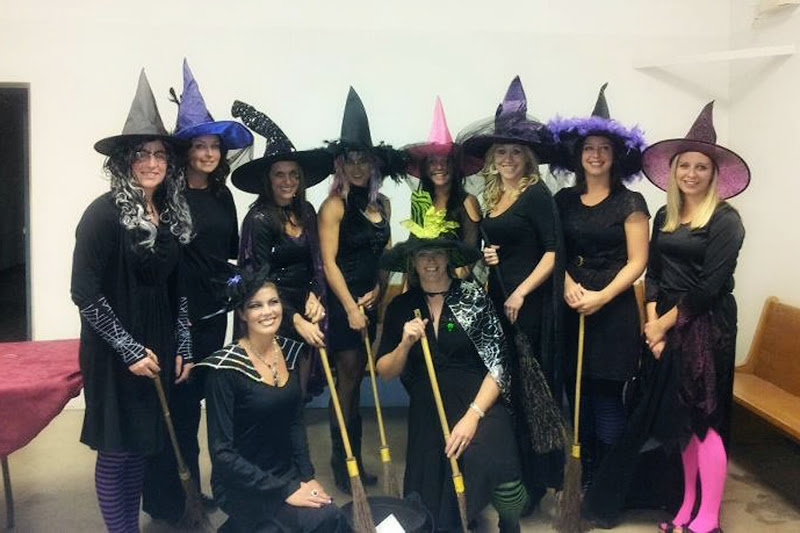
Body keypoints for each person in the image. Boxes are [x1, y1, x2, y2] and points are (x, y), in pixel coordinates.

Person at [584, 102, 749, 533]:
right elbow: (654, 272)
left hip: (706, 326)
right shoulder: (665, 215)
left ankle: (708, 519)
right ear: (674, 170)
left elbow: (709, 288)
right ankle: (685, 507)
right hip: (665, 323)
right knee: (678, 422)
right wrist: (652, 321)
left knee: (704, 420)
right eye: (684, 166)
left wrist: (661, 324)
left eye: (701, 167)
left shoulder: (727, 221)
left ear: (713, 174)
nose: (691, 174)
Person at [70, 70, 194, 533]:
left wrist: (183, 344)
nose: (152, 162)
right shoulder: (101, 215)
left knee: (143, 444)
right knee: (117, 450)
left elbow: (178, 289)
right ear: (125, 161)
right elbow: (84, 293)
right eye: (141, 153)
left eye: (160, 154)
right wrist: (127, 349)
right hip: (113, 351)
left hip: (157, 343)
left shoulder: (172, 213)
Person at [139, 59, 253, 522]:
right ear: (185, 150)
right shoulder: (166, 197)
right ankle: (170, 500)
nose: (208, 153)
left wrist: (236, 289)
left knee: (199, 404)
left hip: (211, 316)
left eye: (214, 146)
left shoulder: (222, 195)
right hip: (173, 317)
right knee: (177, 407)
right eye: (200, 146)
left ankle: (191, 491)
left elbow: (225, 255)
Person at [376, 200, 530, 533]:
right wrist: (405, 344)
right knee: (434, 500)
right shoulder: (402, 306)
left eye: (438, 253)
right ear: (413, 261)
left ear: (449, 258)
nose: (431, 261)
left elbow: (499, 364)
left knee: (495, 463)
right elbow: (385, 371)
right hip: (429, 405)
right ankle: (459, 515)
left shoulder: (473, 297)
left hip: (480, 399)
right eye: (423, 255)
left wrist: (473, 416)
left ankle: (510, 522)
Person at [458, 75, 565, 506]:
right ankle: (513, 475)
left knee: (529, 392)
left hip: (529, 306)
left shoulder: (536, 194)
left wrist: (521, 292)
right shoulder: (494, 194)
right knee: (507, 391)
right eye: (500, 152)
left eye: (515, 152)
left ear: (527, 157)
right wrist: (490, 258)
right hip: (501, 301)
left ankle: (536, 484)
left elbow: (553, 252)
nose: (507, 158)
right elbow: (506, 245)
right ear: (492, 157)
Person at [548, 83, 649, 486]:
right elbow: (553, 250)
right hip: (571, 304)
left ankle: (609, 482)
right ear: (578, 154)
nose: (595, 154)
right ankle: (583, 475)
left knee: (606, 396)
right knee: (576, 395)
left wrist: (602, 296)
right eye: (589, 148)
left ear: (615, 155)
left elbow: (638, 261)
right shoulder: (562, 201)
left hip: (613, 308)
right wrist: (566, 283)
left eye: (604, 148)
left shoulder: (631, 203)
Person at [197, 270, 346, 532]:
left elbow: (295, 422)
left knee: (331, 516)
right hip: (241, 481)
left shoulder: (288, 351)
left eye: (273, 302)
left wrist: (307, 477)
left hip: (285, 470)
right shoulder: (224, 370)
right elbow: (222, 453)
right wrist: (286, 491)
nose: (267, 312)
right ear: (242, 314)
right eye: (256, 305)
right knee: (310, 522)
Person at [318, 86, 404, 492]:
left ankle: (352, 458)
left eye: (363, 159)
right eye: (350, 160)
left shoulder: (382, 204)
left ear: (374, 163)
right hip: (342, 305)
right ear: (340, 164)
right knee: (349, 380)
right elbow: (328, 263)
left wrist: (380, 292)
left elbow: (386, 255)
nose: (357, 167)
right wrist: (351, 307)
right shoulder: (334, 205)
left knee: (358, 379)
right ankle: (344, 462)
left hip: (369, 302)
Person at [231, 99, 332, 398]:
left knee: (299, 389)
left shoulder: (307, 212)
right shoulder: (259, 219)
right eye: (279, 174)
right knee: (274, 388)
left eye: (294, 174)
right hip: (271, 313)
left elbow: (317, 262)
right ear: (268, 179)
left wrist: (315, 294)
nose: (288, 181)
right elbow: (257, 280)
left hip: (304, 306)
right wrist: (294, 319)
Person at [404, 96, 483, 250]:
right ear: (425, 167)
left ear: (455, 166)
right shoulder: (420, 201)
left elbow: (471, 251)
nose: (439, 167)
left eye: (445, 161)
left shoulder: (468, 202)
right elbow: (413, 246)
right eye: (432, 161)